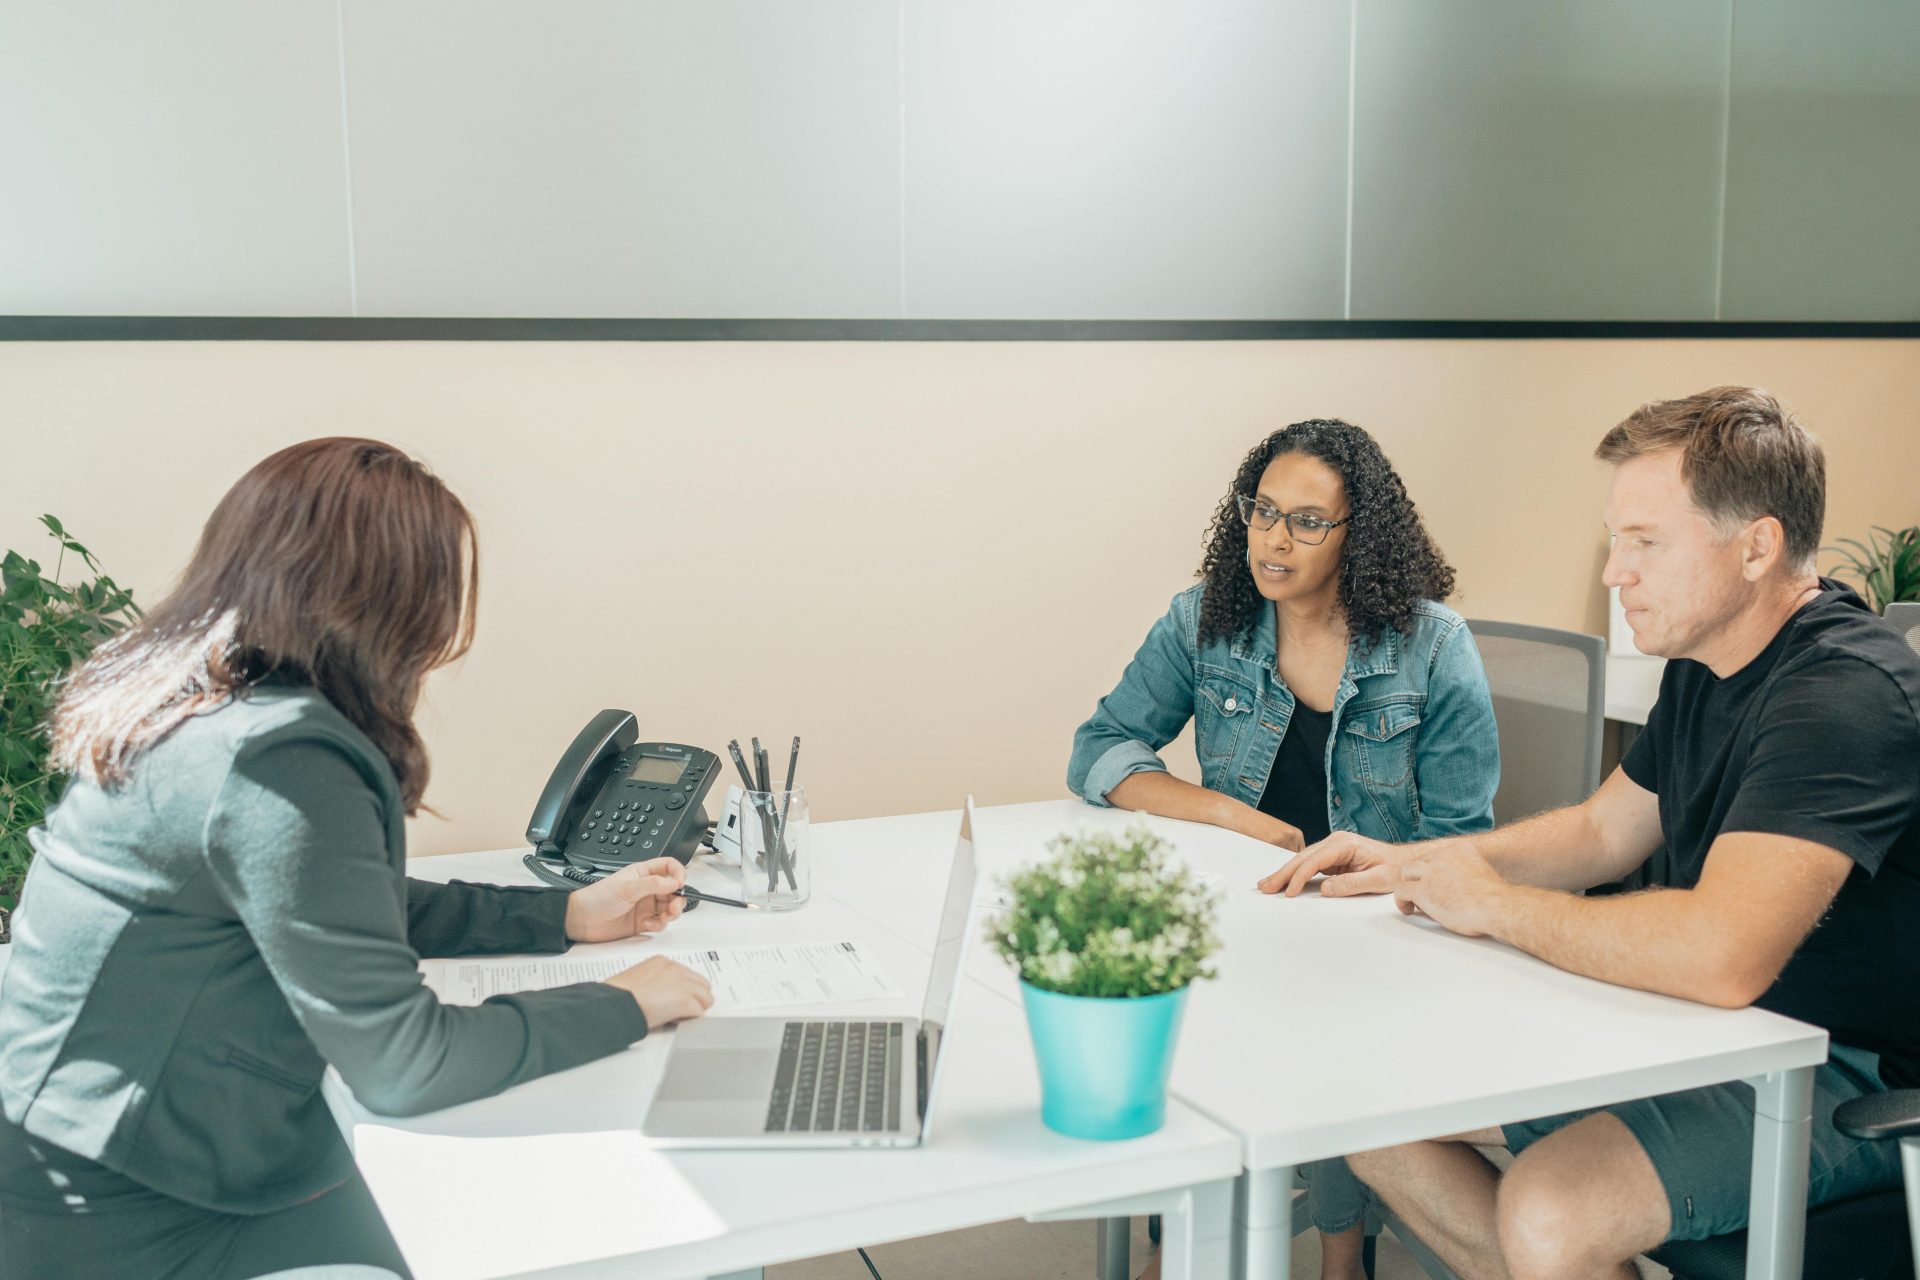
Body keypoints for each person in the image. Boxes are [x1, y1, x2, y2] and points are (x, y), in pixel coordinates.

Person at [0, 439, 715, 1279]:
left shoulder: (206, 714)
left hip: (133, 1145)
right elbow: (406, 1066)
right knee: (602, 1227)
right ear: (396, 606)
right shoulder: (278, 754)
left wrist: (560, 913)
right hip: (135, 1210)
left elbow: (333, 902)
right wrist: (624, 1004)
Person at [1266, 387, 1919, 1279]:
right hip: (1709, 1033)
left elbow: (1722, 953)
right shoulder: (1710, 659)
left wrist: (1494, 905)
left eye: (1645, 542)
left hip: (1851, 1073)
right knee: (1369, 1110)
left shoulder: (1841, 693)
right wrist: (1421, 863)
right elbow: (1605, 831)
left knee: (1551, 1208)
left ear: (1757, 546)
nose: (1616, 572)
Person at [1068, 418, 1499, 1280]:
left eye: (1308, 521)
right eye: (1262, 511)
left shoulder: (1433, 646)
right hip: (1250, 908)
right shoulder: (1206, 620)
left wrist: (1376, 870)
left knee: (1324, 1025)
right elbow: (1102, 750)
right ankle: (1205, 1230)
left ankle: (1340, 1252)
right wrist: (1232, 816)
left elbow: (1463, 847)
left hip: (1380, 926)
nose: (1273, 537)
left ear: (1359, 537)